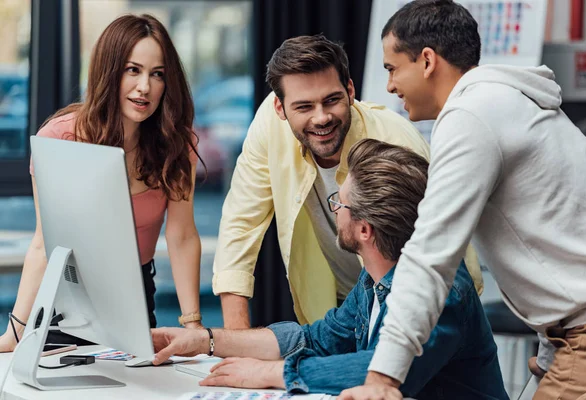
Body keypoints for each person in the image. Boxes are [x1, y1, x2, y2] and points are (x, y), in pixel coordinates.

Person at [341, 1, 586, 399]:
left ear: (427, 60)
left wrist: (382, 379)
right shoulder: (506, 102)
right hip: (568, 335)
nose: (390, 85)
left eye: (393, 69)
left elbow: (430, 253)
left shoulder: (471, 116)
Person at [152, 139, 508, 399]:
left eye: (340, 202)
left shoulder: (441, 290)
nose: (334, 209)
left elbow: (382, 368)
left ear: (365, 230)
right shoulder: (374, 278)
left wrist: (269, 374)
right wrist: (207, 340)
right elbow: (314, 340)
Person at [213, 34, 483, 328]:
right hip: (338, 311)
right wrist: (233, 341)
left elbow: (437, 252)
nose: (321, 118)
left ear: (350, 91)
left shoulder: (393, 141)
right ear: (280, 108)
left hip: (419, 306)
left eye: (332, 100)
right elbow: (240, 224)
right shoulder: (269, 125)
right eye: (304, 107)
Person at [0, 14, 205, 352]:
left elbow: (182, 236)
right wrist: (16, 332)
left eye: (157, 75)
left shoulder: (175, 145)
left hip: (134, 295)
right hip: (65, 298)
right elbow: (43, 243)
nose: (145, 87)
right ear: (109, 72)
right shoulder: (61, 137)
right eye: (132, 70)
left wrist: (193, 326)